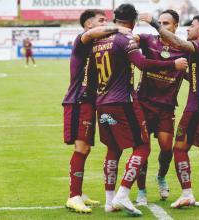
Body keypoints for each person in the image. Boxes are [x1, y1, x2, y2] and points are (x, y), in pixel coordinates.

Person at [88, 4, 188, 216]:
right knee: (142, 147)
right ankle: (124, 194)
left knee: (113, 150)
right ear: (133, 21)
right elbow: (141, 63)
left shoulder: (99, 41)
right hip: (123, 101)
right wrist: (172, 65)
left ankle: (109, 201)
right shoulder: (126, 40)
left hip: (102, 102)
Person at [141, 14, 199, 208]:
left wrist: (154, 24)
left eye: (192, 26)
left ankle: (187, 193)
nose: (188, 29)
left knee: (179, 149)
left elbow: (179, 43)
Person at [62, 9, 131, 213]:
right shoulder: (83, 39)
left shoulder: (101, 45)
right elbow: (91, 35)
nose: (106, 23)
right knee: (81, 148)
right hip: (78, 101)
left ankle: (78, 192)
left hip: (92, 102)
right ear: (89, 24)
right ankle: (73, 196)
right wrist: (119, 27)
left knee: (86, 149)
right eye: (102, 20)